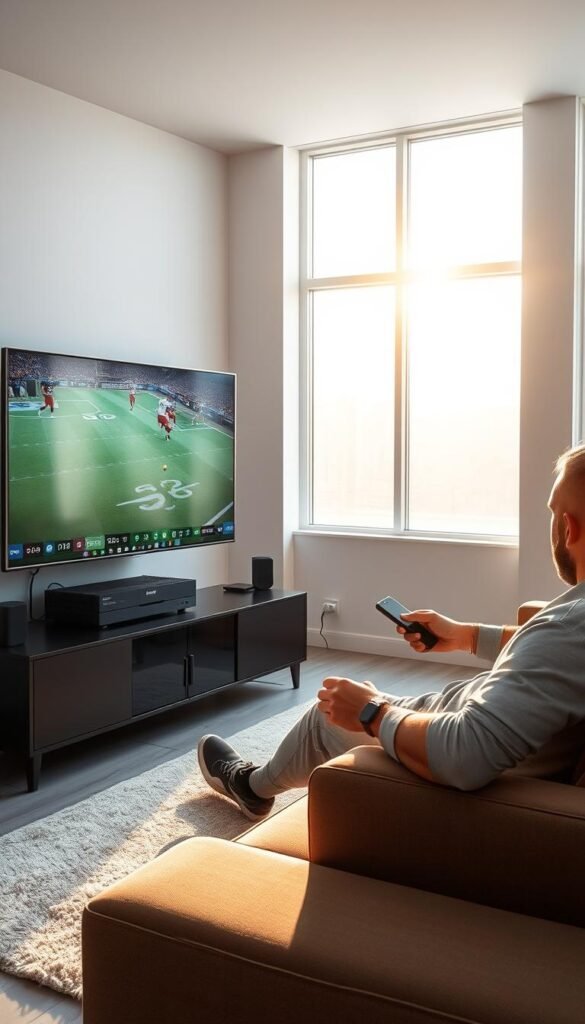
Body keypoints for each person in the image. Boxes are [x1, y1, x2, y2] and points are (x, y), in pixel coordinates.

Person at [198, 444, 585, 820]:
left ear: (568, 527)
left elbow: (467, 754)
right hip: (469, 718)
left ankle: (252, 787)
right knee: (362, 692)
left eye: (553, 512)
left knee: (328, 710)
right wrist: (465, 635)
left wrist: (371, 711)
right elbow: (553, 660)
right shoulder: (569, 627)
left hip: (453, 751)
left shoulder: (565, 628)